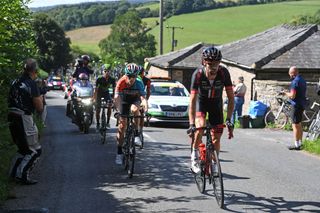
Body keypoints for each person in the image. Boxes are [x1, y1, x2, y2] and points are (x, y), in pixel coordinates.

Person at [188, 46, 234, 173]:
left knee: (216, 138)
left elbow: (231, 97)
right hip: (201, 103)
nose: (213, 67)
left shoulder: (224, 73)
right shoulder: (198, 74)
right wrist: (191, 124)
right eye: (210, 64)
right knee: (200, 127)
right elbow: (192, 100)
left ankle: (214, 162)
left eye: (217, 63)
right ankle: (194, 156)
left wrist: (229, 119)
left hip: (216, 105)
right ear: (204, 62)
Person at [7, 58, 43, 185]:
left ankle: (12, 174)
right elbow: (39, 106)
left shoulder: (14, 82)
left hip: (11, 116)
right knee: (34, 150)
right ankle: (22, 175)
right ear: (35, 71)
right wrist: (40, 97)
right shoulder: (31, 84)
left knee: (22, 148)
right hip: (24, 117)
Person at [114, 63, 148, 165]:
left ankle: (136, 134)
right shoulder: (121, 82)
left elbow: (143, 98)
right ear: (125, 75)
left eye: (134, 76)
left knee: (135, 111)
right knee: (122, 126)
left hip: (134, 100)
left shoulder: (139, 82)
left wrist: (145, 109)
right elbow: (116, 98)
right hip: (123, 101)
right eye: (129, 76)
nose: (131, 79)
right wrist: (119, 112)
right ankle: (119, 153)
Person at [283, 66, 307, 150]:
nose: (289, 75)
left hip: (296, 105)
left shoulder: (294, 82)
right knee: (299, 124)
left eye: (289, 73)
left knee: (295, 125)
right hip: (301, 104)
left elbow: (292, 96)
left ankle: (296, 145)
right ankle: (300, 143)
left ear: (292, 73)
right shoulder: (302, 80)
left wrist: (286, 93)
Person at [94, 64, 116, 130]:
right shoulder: (99, 78)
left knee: (109, 105)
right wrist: (94, 99)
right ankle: (98, 124)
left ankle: (107, 122)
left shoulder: (112, 79)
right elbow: (96, 90)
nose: (107, 72)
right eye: (105, 71)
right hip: (99, 93)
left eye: (108, 71)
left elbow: (114, 89)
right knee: (98, 109)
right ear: (102, 71)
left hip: (106, 93)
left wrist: (114, 99)